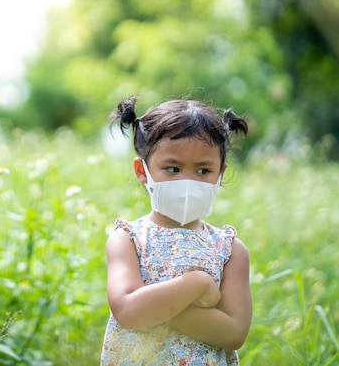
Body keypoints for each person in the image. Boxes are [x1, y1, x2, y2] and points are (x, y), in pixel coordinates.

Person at [100, 96, 253, 366]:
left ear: (220, 173)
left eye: (203, 170)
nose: (187, 181)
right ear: (142, 170)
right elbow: (127, 310)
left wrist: (157, 306)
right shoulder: (127, 239)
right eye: (173, 168)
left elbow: (234, 332)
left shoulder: (230, 250)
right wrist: (196, 285)